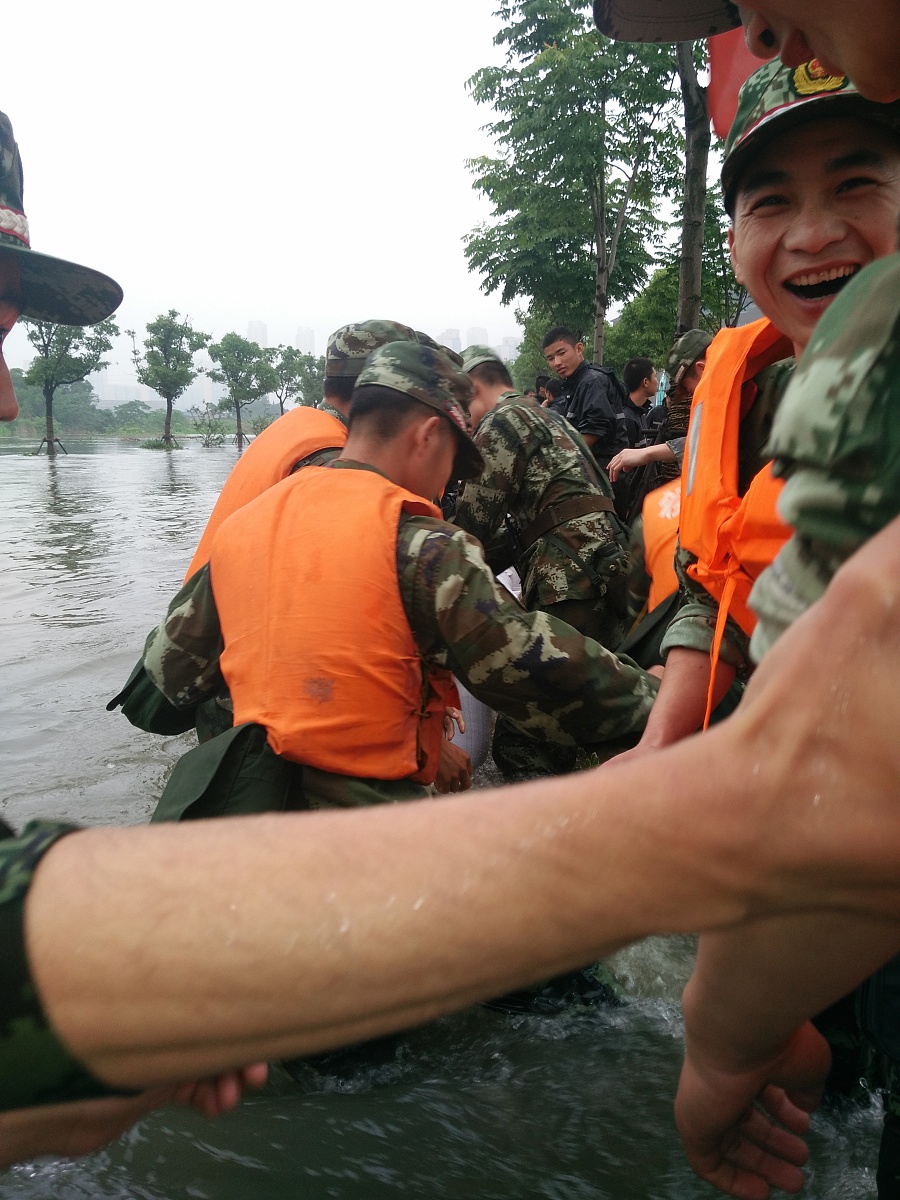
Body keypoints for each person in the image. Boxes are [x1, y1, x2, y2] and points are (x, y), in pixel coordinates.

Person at [136, 341, 656, 820]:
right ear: (429, 435)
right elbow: (535, 669)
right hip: (367, 835)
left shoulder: (244, 527)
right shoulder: (424, 546)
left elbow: (169, 673)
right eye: (454, 461)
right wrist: (655, 692)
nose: (449, 482)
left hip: (250, 819)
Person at [623, 58, 900, 752]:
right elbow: (721, 583)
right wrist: (657, 749)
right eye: (772, 203)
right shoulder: (756, 400)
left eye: (855, 185)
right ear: (734, 246)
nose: (812, 235)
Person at [453, 344, 632, 780]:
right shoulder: (550, 418)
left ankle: (546, 835)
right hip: (606, 570)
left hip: (568, 577)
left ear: (474, 386)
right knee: (587, 710)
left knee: (526, 741)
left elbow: (472, 527)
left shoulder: (501, 422)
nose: (464, 422)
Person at [607, 329, 711, 521]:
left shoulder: (740, 393)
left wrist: (648, 453)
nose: (691, 396)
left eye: (688, 389)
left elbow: (709, 442)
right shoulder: (630, 417)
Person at [541, 325, 628, 489]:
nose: (557, 362)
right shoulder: (575, 384)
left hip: (604, 476)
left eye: (561, 353)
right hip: (589, 472)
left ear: (579, 348)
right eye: (551, 358)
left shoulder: (593, 380)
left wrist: (554, 458)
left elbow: (594, 430)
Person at [621, 355, 662, 449]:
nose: (657, 381)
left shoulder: (639, 412)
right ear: (645, 382)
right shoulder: (627, 418)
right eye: (655, 376)